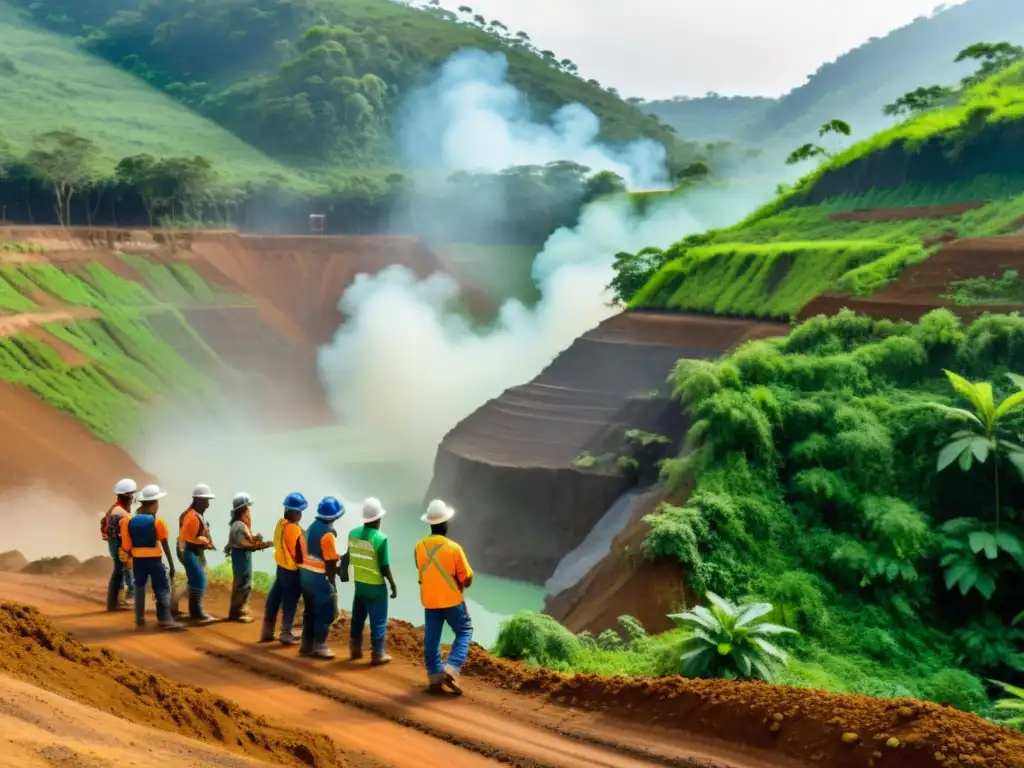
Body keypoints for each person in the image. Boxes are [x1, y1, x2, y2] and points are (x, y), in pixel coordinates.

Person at [414, 499, 474, 695]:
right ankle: (452, 667)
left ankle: (434, 676)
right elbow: (467, 576)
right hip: (451, 600)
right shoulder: (454, 548)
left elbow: (421, 569)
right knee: (465, 630)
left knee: (432, 637)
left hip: (429, 600)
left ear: (430, 523)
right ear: (445, 523)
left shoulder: (419, 547)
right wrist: (464, 583)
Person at [121, 484, 184, 631]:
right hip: (155, 561)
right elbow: (165, 545)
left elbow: (126, 545)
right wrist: (172, 564)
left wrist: (131, 556)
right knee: (162, 587)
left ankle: (139, 619)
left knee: (139, 587)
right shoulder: (158, 522)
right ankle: (165, 619)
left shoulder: (127, 521)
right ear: (154, 503)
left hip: (138, 561)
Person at [343, 497, 397, 665]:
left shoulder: (352, 534)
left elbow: (348, 556)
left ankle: (355, 649)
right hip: (376, 586)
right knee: (379, 620)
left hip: (359, 583)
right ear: (377, 518)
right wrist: (392, 584)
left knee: (357, 617)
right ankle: (378, 653)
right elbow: (384, 566)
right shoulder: (381, 539)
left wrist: (343, 572)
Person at [297, 496, 344, 659]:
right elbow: (330, 563)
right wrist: (332, 582)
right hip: (319, 577)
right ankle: (320, 645)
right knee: (326, 611)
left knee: (310, 611)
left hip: (305, 575)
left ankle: (306, 645)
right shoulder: (328, 535)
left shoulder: (311, 527)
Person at [260, 492, 307, 645]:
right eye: (299, 511)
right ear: (293, 512)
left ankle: (267, 631)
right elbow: (298, 554)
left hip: (281, 567)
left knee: (274, 598)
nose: (300, 514)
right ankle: (285, 633)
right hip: (292, 571)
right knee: (290, 602)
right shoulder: (294, 528)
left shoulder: (280, 524)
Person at [224, 492, 272, 623]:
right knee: (242, 583)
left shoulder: (239, 525)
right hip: (241, 555)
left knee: (243, 582)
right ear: (242, 509)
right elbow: (244, 543)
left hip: (241, 555)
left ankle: (238, 610)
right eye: (247, 508)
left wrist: (256, 539)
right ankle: (238, 612)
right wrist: (262, 545)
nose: (249, 511)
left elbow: (246, 539)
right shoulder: (239, 525)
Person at [174, 483, 218, 624]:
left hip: (192, 550)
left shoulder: (193, 514)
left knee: (195, 579)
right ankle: (196, 613)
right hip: (190, 550)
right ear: (198, 500)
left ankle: (188, 610)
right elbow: (190, 537)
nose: (208, 505)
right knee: (198, 580)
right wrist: (206, 541)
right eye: (206, 501)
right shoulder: (192, 516)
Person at [103, 478, 136, 611]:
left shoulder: (116, 509)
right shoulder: (119, 511)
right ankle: (115, 602)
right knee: (119, 571)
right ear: (127, 495)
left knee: (120, 571)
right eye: (131, 494)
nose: (133, 496)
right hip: (118, 545)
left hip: (116, 544)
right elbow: (118, 531)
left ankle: (117, 600)